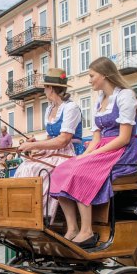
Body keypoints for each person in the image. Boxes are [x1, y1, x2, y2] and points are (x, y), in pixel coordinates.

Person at [48, 57, 137, 248]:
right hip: (103, 147)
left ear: (104, 75)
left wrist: (91, 156)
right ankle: (72, 227)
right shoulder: (100, 100)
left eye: (92, 76)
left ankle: (87, 230)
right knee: (61, 170)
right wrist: (84, 155)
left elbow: (124, 138)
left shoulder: (125, 96)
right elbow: (96, 139)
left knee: (81, 172)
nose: (89, 80)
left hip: (121, 150)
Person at [15, 69, 82, 219]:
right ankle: (26, 211)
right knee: (25, 167)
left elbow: (63, 140)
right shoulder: (50, 108)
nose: (44, 90)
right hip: (55, 151)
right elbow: (50, 137)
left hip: (70, 152)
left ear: (50, 88)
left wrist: (33, 146)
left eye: (45, 87)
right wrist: (37, 142)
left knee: (40, 170)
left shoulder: (71, 108)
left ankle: (43, 214)